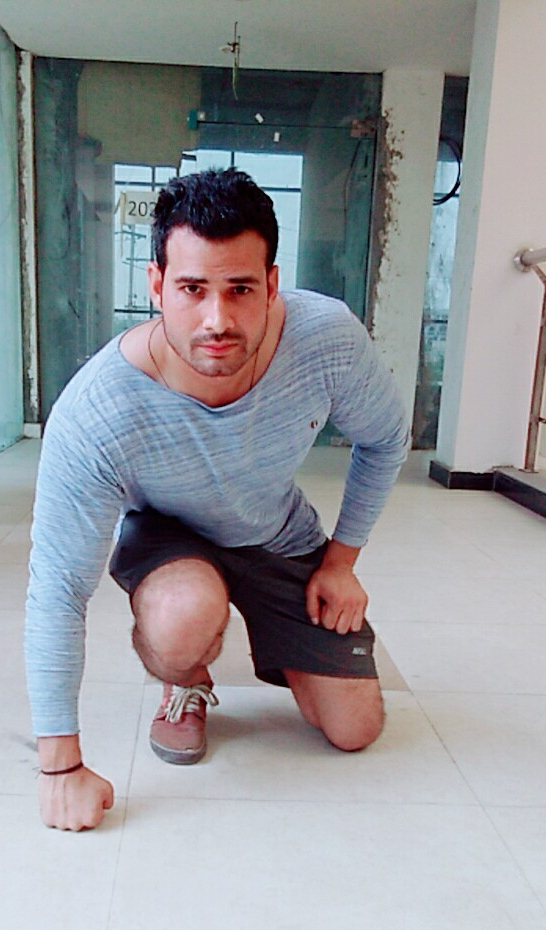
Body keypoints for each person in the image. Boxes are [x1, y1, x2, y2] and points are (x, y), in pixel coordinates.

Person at [26, 167, 409, 832]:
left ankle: (272, 634)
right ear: (156, 285)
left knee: (354, 728)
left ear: (271, 284)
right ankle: (186, 678)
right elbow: (57, 587)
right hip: (168, 537)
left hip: (275, 530)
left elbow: (386, 440)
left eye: (240, 289)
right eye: (192, 289)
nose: (217, 319)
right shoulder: (98, 411)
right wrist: (60, 767)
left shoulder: (327, 340)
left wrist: (341, 562)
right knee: (185, 616)